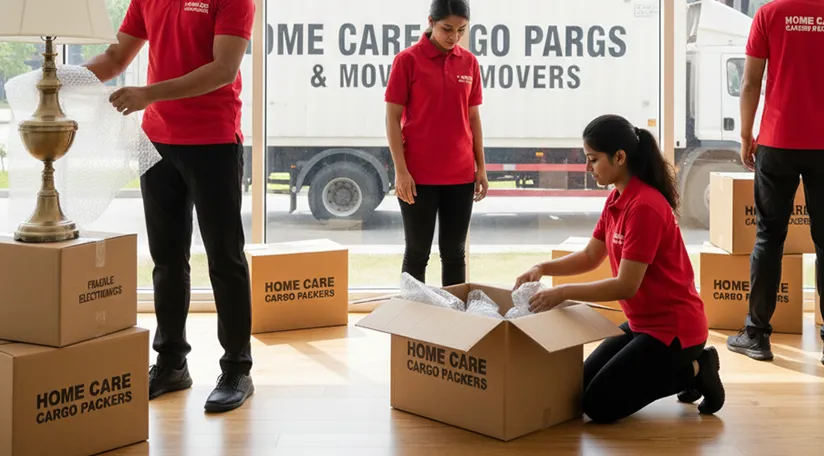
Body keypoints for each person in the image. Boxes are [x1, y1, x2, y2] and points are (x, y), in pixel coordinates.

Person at [83, 0, 256, 413]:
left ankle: (237, 368)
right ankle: (171, 362)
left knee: (225, 258)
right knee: (166, 259)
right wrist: (61, 79)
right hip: (157, 141)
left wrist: (148, 94)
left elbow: (222, 69)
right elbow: (114, 57)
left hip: (213, 141)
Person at [513, 115, 725, 423]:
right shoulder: (617, 198)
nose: (588, 168)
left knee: (598, 406)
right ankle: (684, 370)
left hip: (674, 331)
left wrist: (562, 293)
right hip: (642, 323)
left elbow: (626, 285)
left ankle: (696, 370)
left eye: (593, 159)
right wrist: (541, 268)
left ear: (620, 157)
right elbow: (590, 255)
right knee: (579, 388)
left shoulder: (645, 207)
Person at [727, 0, 824, 364]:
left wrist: (745, 135)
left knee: (769, 236)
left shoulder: (770, 14)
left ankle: (757, 336)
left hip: (777, 139)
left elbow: (750, 82)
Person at [384, 0, 488, 287]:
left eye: (461, 30)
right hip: (418, 176)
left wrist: (481, 167)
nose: (453, 36)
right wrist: (401, 171)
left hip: (460, 175)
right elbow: (392, 118)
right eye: (447, 29)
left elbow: (474, 118)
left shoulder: (469, 62)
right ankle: (411, 323)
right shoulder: (407, 60)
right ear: (431, 21)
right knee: (417, 253)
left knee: (454, 254)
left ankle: (454, 323)